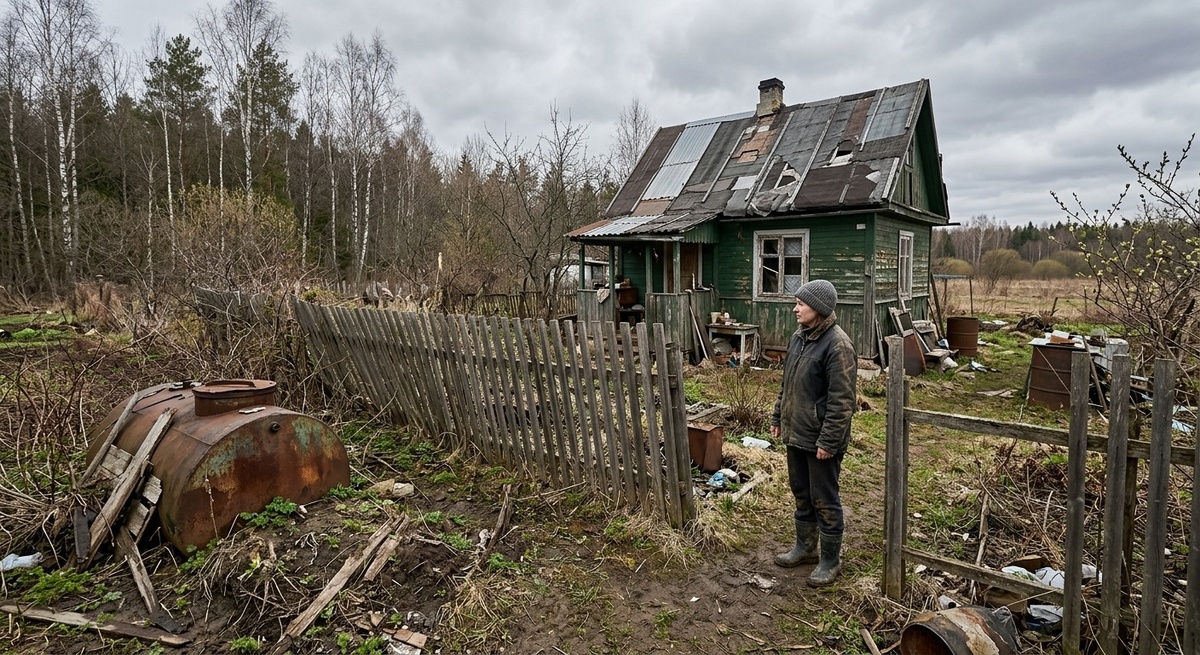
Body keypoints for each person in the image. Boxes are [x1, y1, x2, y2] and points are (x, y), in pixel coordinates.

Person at [770, 279, 857, 587]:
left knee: (824, 498)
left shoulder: (838, 345)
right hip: (797, 432)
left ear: (818, 309)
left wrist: (829, 442)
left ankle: (830, 561)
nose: (795, 309)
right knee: (801, 492)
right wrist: (779, 415)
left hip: (821, 439)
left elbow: (842, 401)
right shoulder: (799, 338)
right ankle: (806, 548)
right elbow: (788, 383)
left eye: (800, 304)